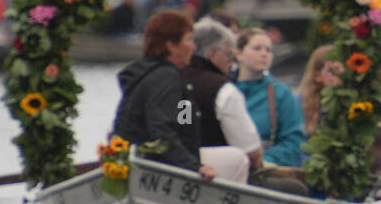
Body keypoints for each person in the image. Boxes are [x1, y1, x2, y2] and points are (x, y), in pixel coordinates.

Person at [112, 10, 217, 180]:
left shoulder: (164, 78)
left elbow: (185, 125)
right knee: (237, 159)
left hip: (147, 164)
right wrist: (193, 167)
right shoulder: (166, 78)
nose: (193, 46)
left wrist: (192, 159)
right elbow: (161, 130)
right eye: (188, 39)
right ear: (171, 45)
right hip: (155, 170)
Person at [180, 19, 262, 183]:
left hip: (174, 167)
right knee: (295, 188)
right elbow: (252, 152)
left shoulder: (173, 78)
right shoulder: (224, 90)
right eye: (229, 55)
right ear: (212, 53)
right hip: (214, 179)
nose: (232, 64)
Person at [233, 27, 308, 168]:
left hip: (265, 169)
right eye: (257, 48)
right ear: (238, 54)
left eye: (268, 50)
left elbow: (294, 140)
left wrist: (265, 160)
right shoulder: (223, 89)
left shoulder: (281, 93)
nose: (264, 54)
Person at [298, 44, 340, 137]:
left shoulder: (347, 102)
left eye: (341, 70)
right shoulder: (300, 104)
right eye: (333, 71)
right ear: (317, 76)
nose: (339, 77)